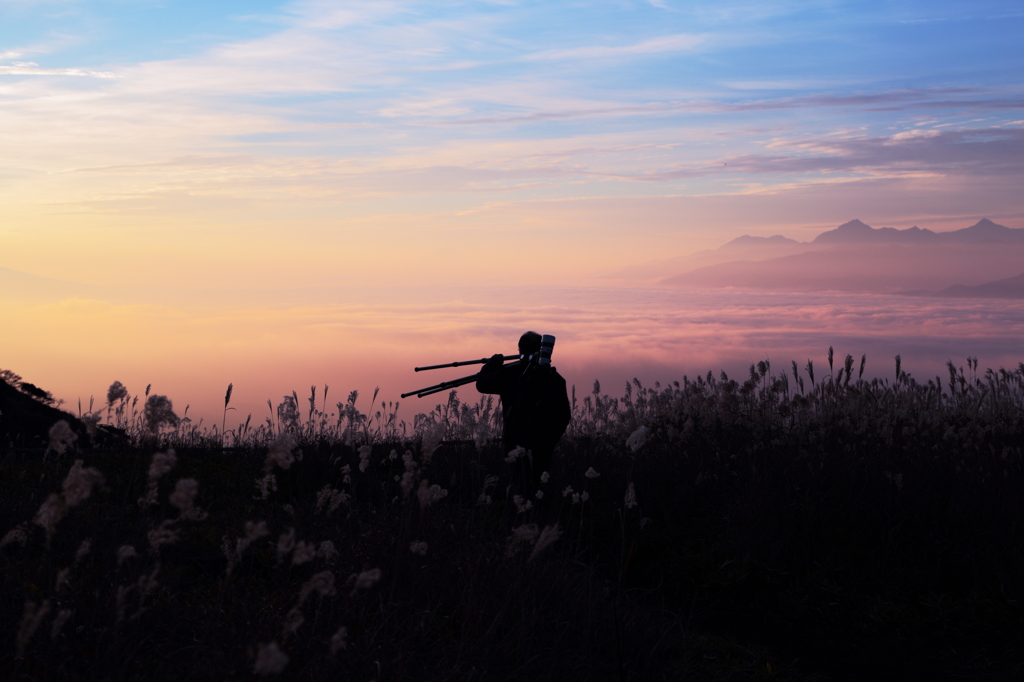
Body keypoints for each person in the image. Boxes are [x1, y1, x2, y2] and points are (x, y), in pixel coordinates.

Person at [476, 331, 572, 486]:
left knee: (519, 489)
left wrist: (492, 365)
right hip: (543, 448)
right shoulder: (556, 379)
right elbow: (564, 416)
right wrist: (550, 440)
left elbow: (482, 383)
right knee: (540, 488)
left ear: (520, 350)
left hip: (515, 445)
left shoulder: (511, 373)